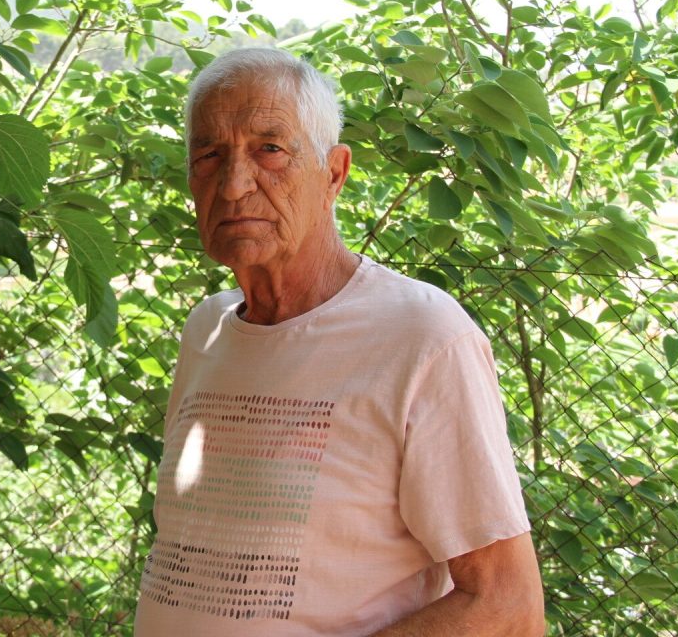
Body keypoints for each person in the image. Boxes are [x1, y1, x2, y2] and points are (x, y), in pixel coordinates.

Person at [134, 48, 544, 636]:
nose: (234, 185)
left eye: (270, 150)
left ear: (333, 173)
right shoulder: (208, 329)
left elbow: (507, 607)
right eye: (209, 156)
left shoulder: (423, 336)